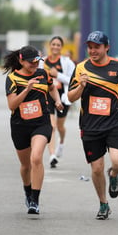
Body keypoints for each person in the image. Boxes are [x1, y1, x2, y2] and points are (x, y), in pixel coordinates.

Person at [68, 31, 118, 220]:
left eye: (97, 47)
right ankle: (103, 204)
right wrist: (81, 86)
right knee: (96, 168)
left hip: (115, 123)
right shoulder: (80, 68)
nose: (92, 50)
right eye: (90, 47)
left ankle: (114, 174)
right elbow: (70, 97)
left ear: (106, 47)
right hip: (90, 126)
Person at [2, 45, 63, 215]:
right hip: (20, 125)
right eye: (31, 63)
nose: (35, 65)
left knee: (36, 158)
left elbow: (52, 87)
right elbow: (12, 105)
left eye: (37, 62)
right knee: (25, 165)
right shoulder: (12, 78)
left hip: (41, 123)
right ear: (21, 60)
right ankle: (27, 191)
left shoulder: (43, 74)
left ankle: (35, 201)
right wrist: (27, 89)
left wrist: (57, 101)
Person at [41, 36, 76, 168]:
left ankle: (61, 143)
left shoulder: (67, 62)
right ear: (50, 46)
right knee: (52, 126)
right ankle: (52, 155)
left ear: (62, 47)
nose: (55, 47)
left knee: (60, 126)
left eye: (58, 45)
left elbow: (73, 81)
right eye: (53, 44)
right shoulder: (42, 61)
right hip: (48, 95)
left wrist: (58, 75)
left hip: (63, 97)